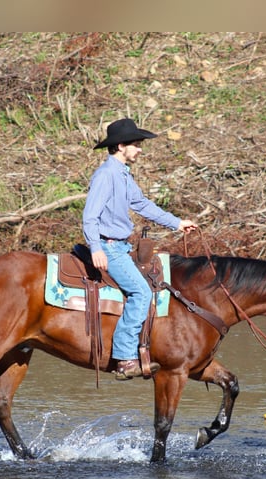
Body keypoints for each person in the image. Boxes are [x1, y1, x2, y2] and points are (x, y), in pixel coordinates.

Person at [83, 118, 198, 380]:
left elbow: (143, 205)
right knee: (142, 293)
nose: (140, 149)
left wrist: (177, 223)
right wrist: (95, 248)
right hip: (109, 248)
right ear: (121, 146)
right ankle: (124, 358)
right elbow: (90, 216)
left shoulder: (122, 174)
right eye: (136, 144)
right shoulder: (106, 175)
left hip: (120, 247)